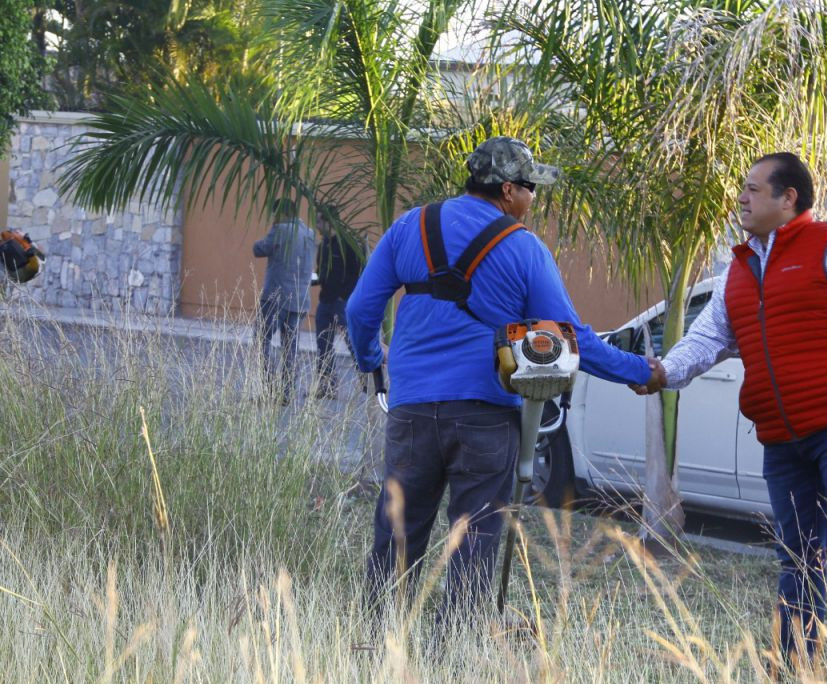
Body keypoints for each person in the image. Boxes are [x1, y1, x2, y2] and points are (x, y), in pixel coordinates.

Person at [636, 152, 827, 681]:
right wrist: (666, 371)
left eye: (753, 189)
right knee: (797, 553)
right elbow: (710, 338)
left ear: (788, 198)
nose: (742, 198)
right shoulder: (739, 268)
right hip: (781, 435)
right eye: (743, 188)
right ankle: (797, 667)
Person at [346, 136, 663, 636]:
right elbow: (571, 338)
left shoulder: (411, 226)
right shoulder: (523, 248)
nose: (534, 200)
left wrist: (372, 362)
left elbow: (359, 311)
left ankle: (374, 643)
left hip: (410, 412)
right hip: (486, 417)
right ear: (509, 190)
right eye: (531, 189)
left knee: (397, 534)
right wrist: (642, 372)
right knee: (474, 538)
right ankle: (458, 650)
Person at [253, 198, 316, 403]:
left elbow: (259, 249)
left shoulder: (280, 230)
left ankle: (269, 389)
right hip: (299, 300)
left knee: (262, 341)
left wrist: (270, 230)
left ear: (280, 213)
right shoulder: (309, 233)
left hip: (276, 297)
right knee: (291, 348)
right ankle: (287, 392)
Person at [311, 216, 364, 398]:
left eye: (319, 221)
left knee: (353, 343)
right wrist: (310, 279)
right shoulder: (324, 245)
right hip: (325, 300)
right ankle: (327, 387)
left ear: (329, 222)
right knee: (323, 344)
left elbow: (356, 272)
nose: (317, 225)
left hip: (343, 303)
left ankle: (367, 383)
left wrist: (345, 295)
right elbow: (320, 272)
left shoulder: (346, 244)